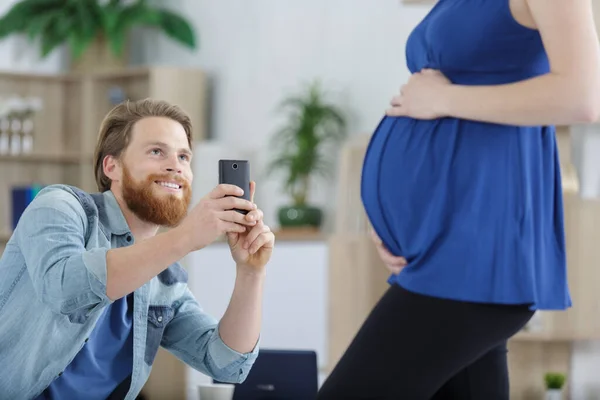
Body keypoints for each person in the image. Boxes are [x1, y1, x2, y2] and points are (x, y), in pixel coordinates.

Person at [318, 0, 600, 399]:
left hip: (476, 253)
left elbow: (582, 95)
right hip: (446, 250)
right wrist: (398, 224)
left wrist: (445, 100)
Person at [0, 99, 275, 400]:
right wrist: (185, 237)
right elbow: (66, 291)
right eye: (157, 151)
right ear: (111, 166)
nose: (175, 166)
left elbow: (227, 364)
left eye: (184, 156)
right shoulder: (58, 207)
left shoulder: (165, 280)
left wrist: (251, 272)